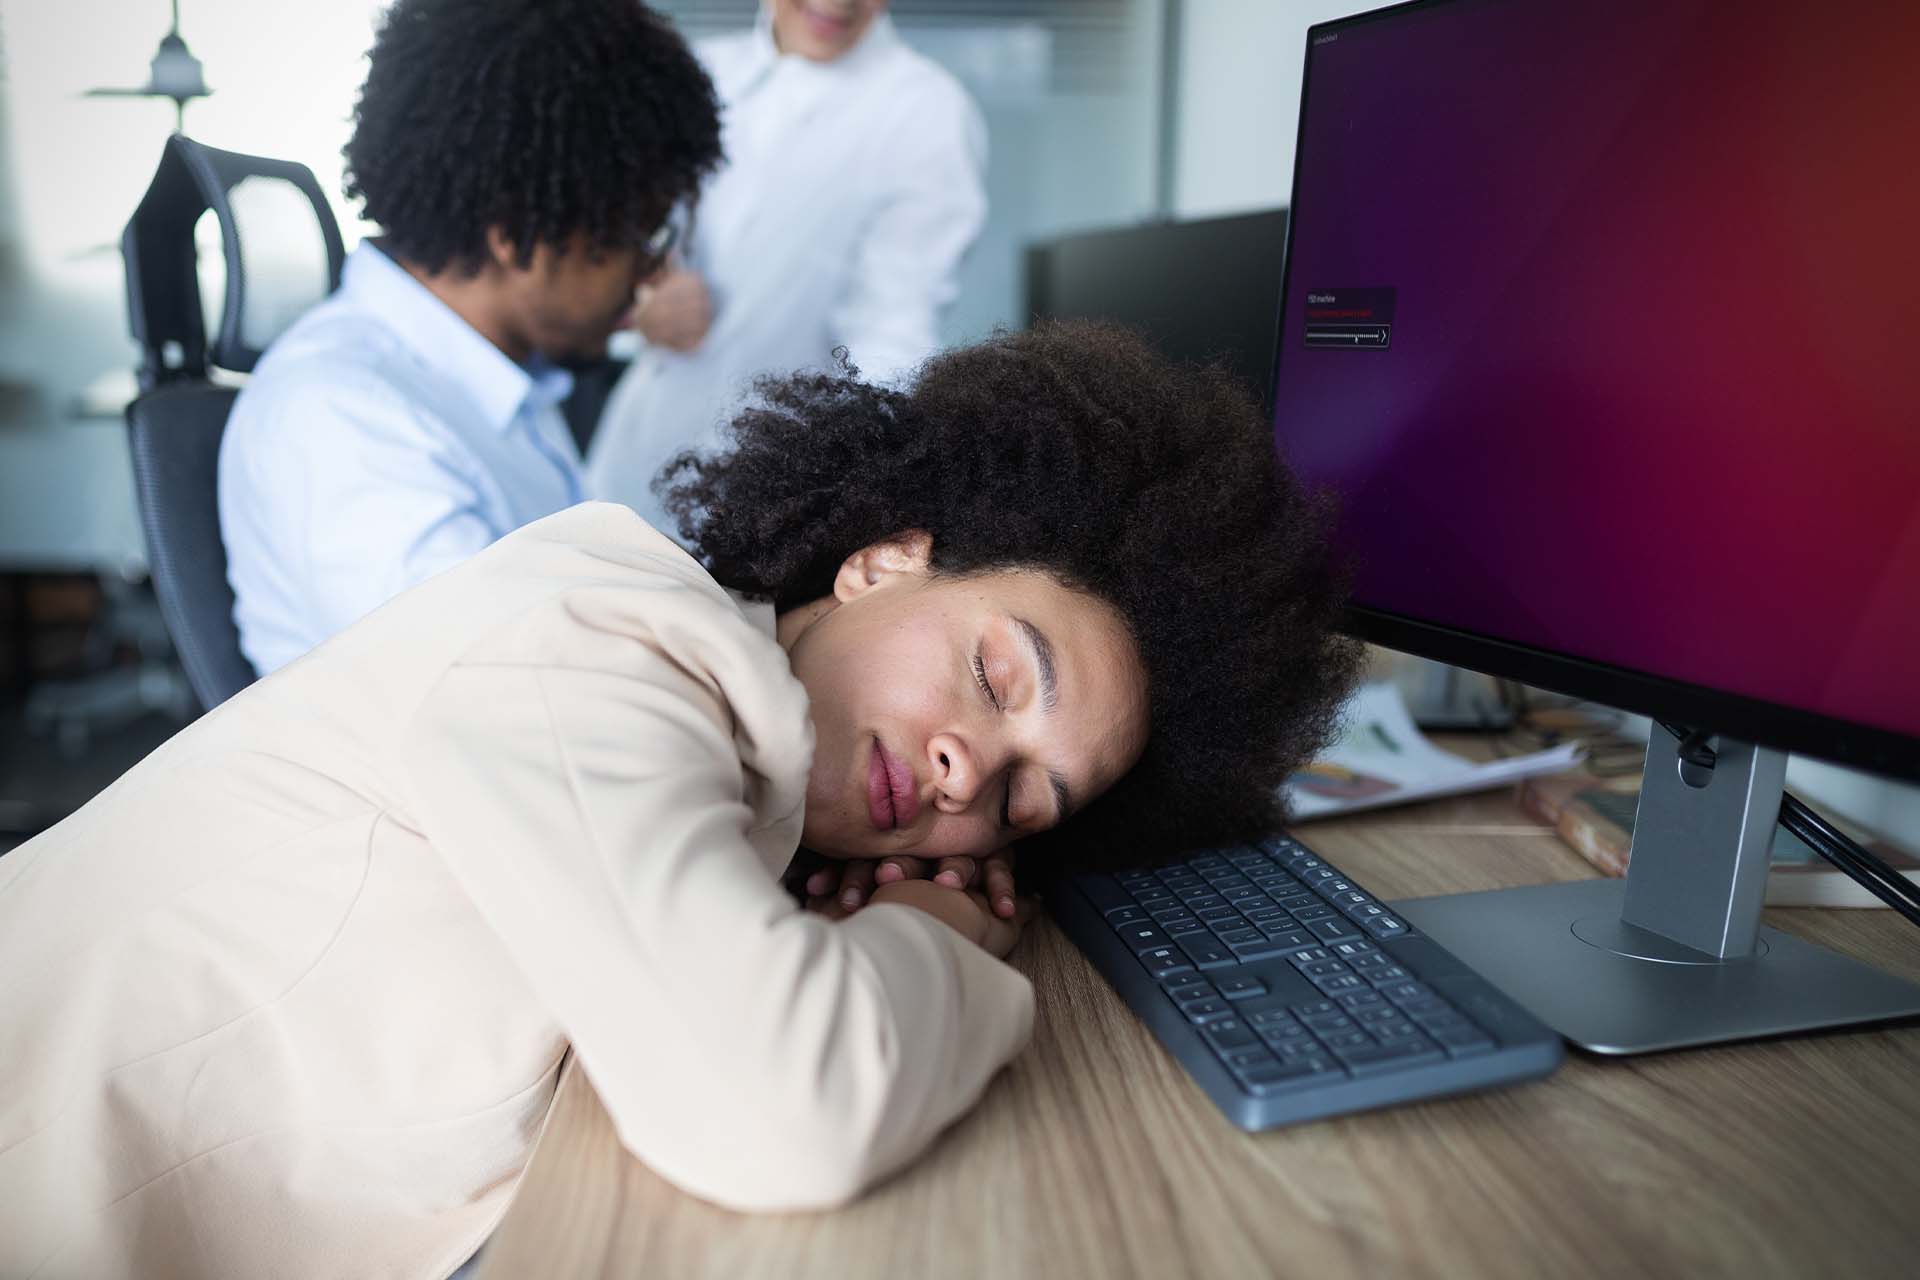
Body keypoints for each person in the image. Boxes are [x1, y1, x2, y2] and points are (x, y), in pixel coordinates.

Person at [0, 322, 1361, 1278]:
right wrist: (941, 944)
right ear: (886, 565)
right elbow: (784, 1102)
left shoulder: (739, 749)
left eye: (1021, 804)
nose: (966, 775)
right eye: (995, 675)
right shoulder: (605, 648)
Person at [218, 0, 723, 677]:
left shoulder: (497, 378)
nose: (655, 271)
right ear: (518, 237)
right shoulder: (344, 418)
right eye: (639, 238)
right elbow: (507, 695)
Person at [584, 0, 988, 537]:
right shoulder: (696, 73)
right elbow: (614, 236)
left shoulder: (926, 112)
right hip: (633, 454)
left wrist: (892, 482)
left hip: (779, 491)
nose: (838, 3)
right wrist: (637, 308)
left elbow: (892, 326)